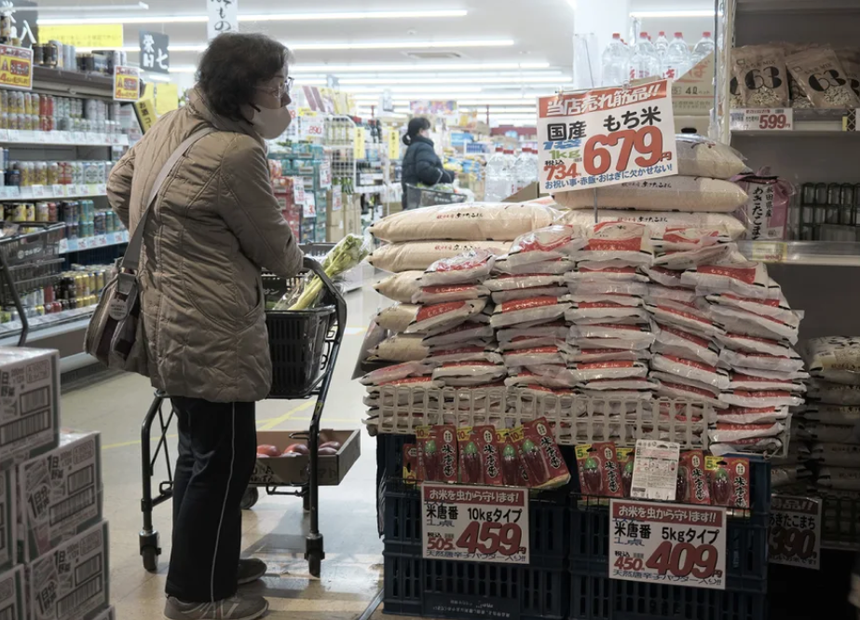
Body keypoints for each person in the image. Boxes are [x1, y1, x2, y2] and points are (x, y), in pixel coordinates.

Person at [107, 33, 303, 620]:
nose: (284, 96)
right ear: (244, 91)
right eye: (277, 85)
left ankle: (207, 563)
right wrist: (208, 252)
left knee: (198, 452)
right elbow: (276, 251)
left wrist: (171, 247)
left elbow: (119, 184)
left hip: (169, 316)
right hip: (215, 324)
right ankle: (196, 598)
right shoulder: (235, 152)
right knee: (224, 460)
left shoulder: (171, 123)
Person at [400, 117, 455, 208]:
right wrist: (448, 175)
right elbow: (424, 170)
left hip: (411, 197)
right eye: (427, 130)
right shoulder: (423, 147)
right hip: (422, 200)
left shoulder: (412, 147)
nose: (429, 133)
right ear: (421, 131)